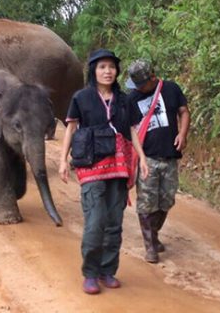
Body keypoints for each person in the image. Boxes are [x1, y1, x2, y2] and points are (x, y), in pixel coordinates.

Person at [59, 49, 149, 295]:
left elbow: (132, 130)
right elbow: (71, 128)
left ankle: (107, 271)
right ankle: (90, 273)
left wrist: (141, 158)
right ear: (93, 71)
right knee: (95, 222)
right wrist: (63, 159)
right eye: (102, 67)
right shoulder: (81, 98)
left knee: (114, 224)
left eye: (111, 67)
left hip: (119, 169)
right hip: (91, 166)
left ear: (117, 71)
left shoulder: (125, 100)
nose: (107, 71)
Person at [126, 59, 191, 264]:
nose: (138, 88)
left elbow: (184, 111)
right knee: (146, 203)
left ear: (152, 78)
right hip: (147, 158)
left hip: (170, 157)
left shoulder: (171, 89)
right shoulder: (132, 98)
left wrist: (183, 133)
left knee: (166, 200)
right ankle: (150, 246)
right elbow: (129, 129)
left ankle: (153, 234)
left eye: (141, 84)